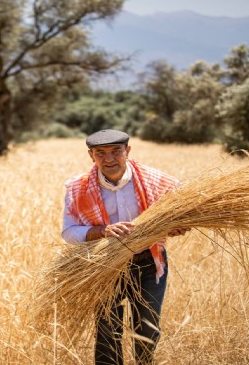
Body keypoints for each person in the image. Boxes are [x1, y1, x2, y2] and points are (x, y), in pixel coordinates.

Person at [61, 129, 186, 365]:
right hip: (105, 265)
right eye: (101, 153)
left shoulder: (157, 181)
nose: (108, 159)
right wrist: (102, 231)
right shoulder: (77, 188)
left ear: (127, 151)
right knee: (108, 330)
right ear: (91, 156)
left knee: (147, 329)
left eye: (116, 152)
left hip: (148, 262)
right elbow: (68, 232)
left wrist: (177, 226)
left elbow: (179, 216)